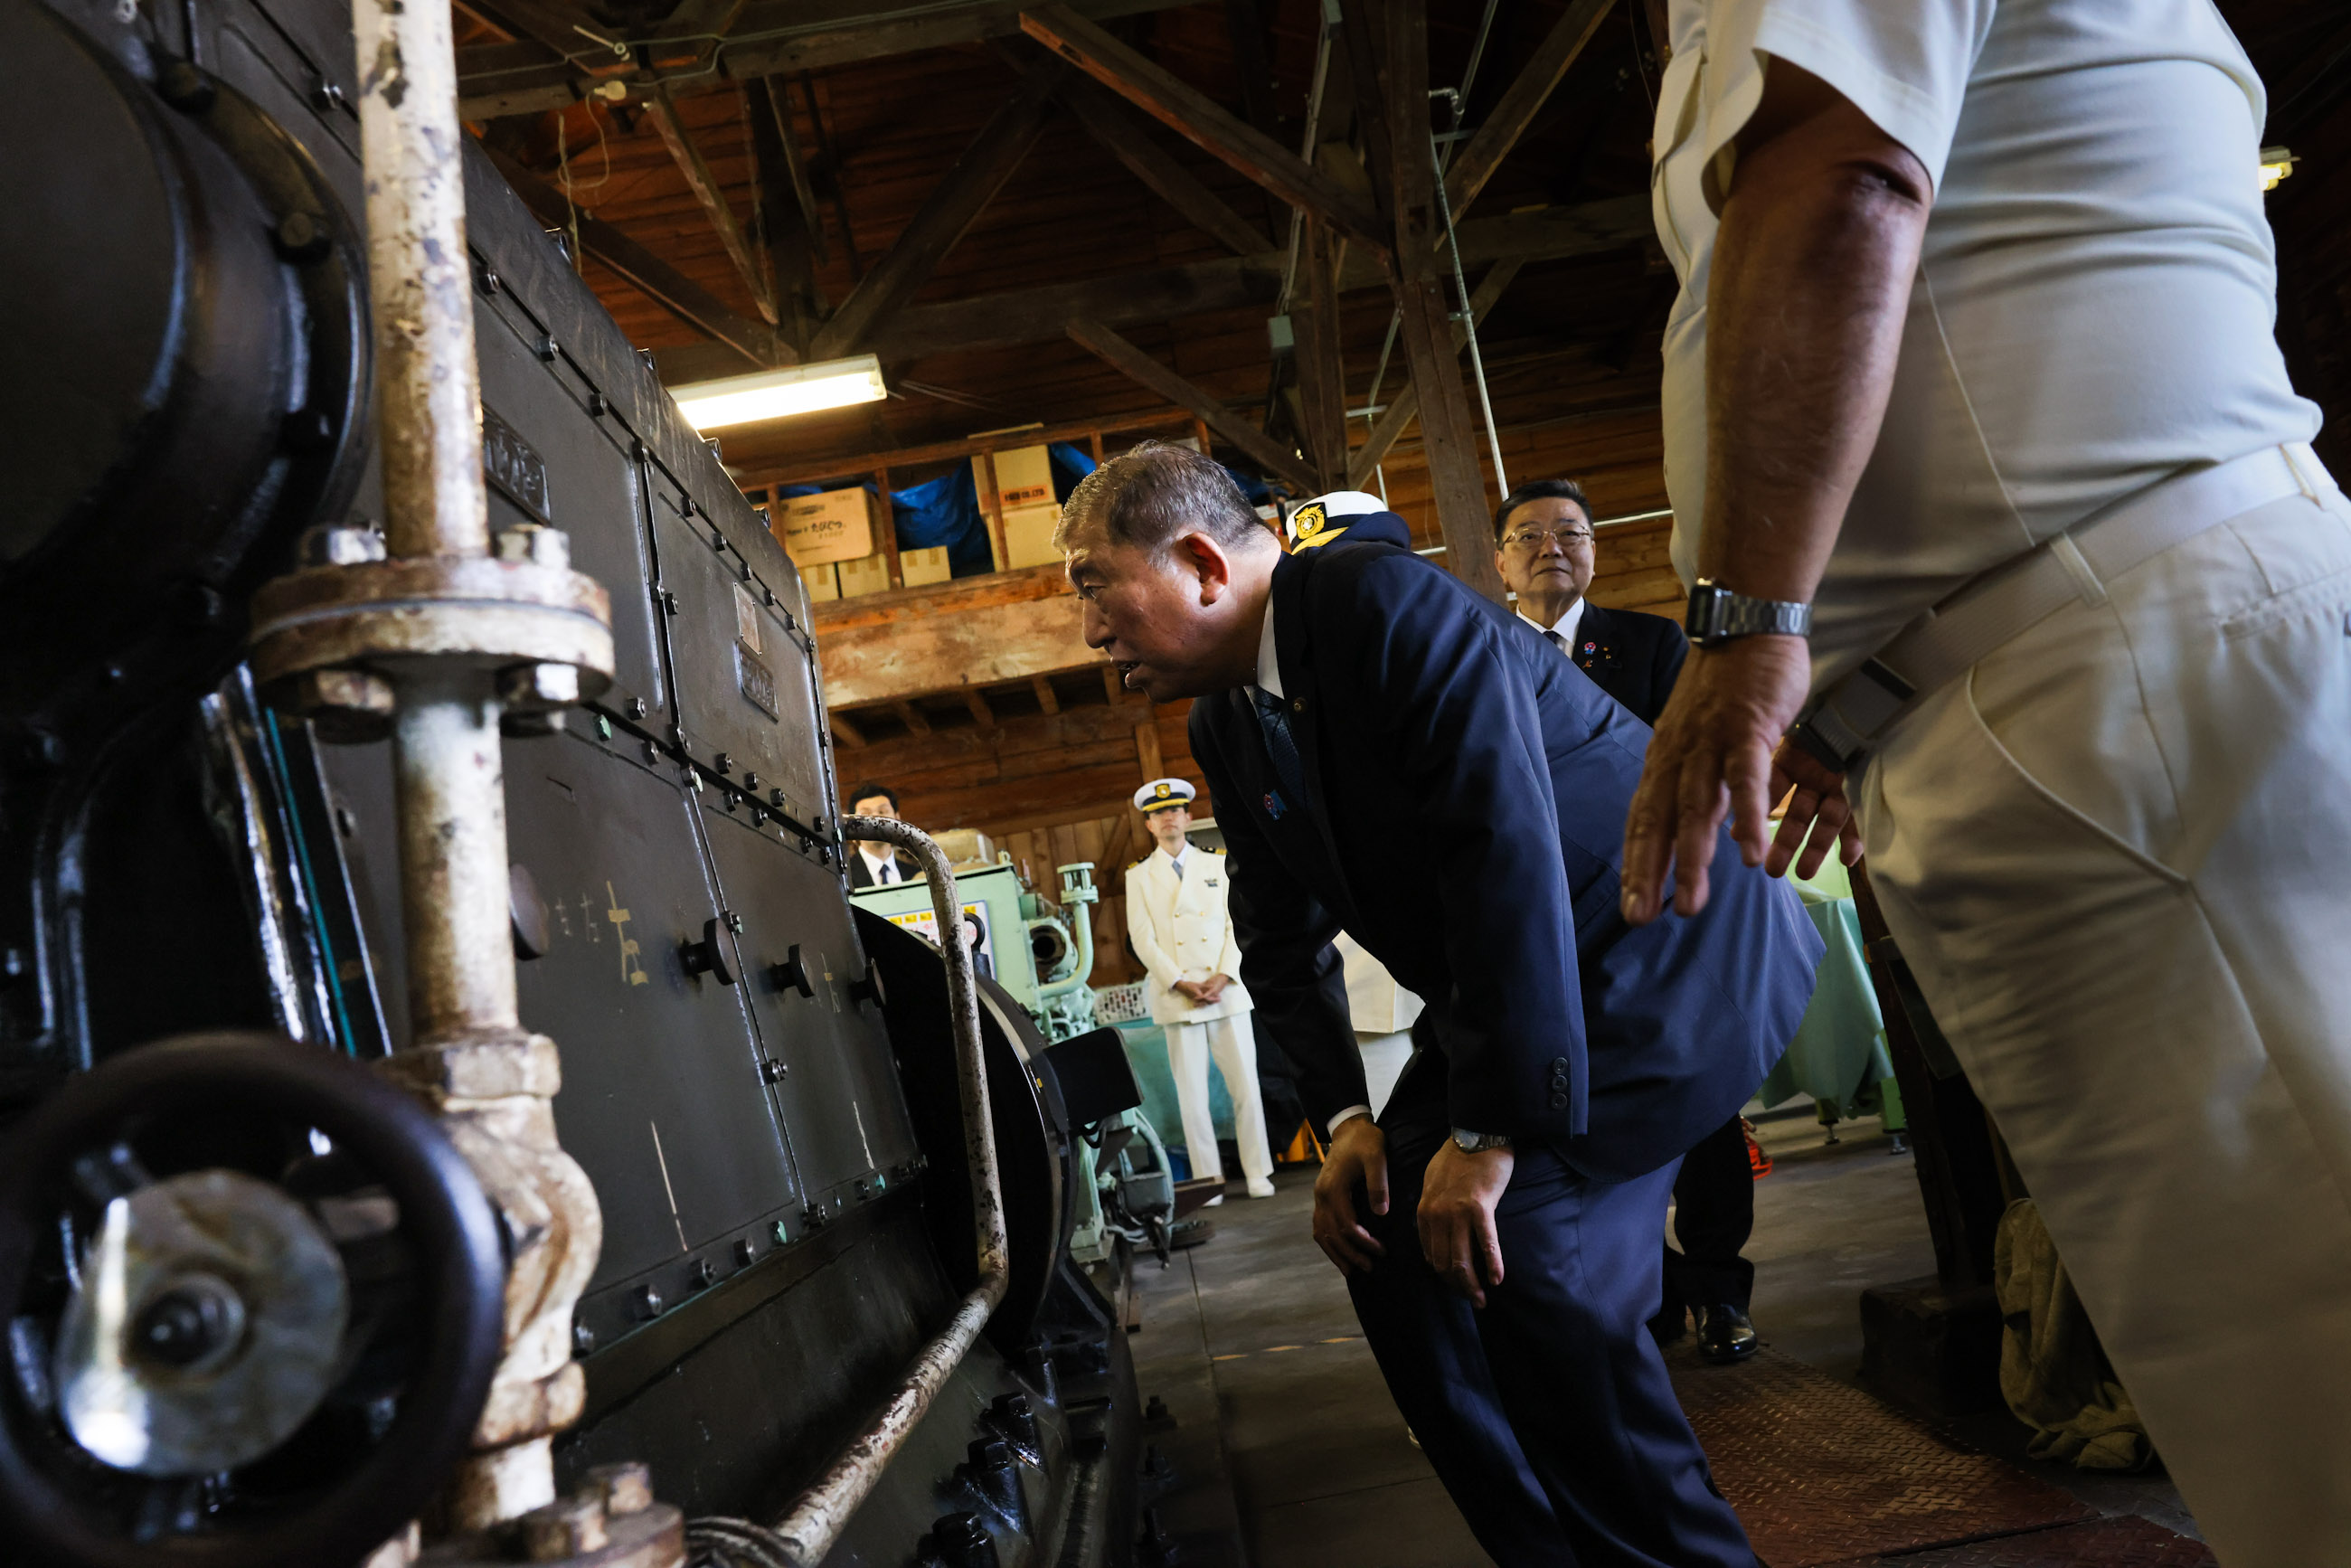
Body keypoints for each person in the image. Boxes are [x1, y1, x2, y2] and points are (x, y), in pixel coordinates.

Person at [1622, 3, 2351, 1561]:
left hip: (2117, 705)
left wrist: (1750, 627)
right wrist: (1840, 676)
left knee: (2315, 1363)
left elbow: (1840, 180)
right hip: (2098, 681)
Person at [1062, 455, 1823, 1568]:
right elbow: (1278, 937)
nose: (1087, 629)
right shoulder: (1227, 720)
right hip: (1531, 976)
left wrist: (1489, 1134)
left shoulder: (1377, 603)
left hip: (1662, 952)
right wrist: (1345, 1122)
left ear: (1199, 562)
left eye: (1092, 584)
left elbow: (1498, 851)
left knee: (1525, 1259)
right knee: (1379, 1236)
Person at [1495, 478, 1758, 1365]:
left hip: (1663, 906)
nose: (1548, 547)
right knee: (1596, 1124)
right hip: (1551, 927)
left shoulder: (1647, 645)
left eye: (1569, 531)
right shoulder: (1482, 658)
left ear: (1595, 550)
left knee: (1703, 1105)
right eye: (1526, 535)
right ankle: (1646, 1300)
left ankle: (1720, 1291)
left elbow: (1690, 760)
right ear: (1498, 562)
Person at [1124, 778, 1275, 1201]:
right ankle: (1210, 1183)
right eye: (1158, 814)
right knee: (1191, 1099)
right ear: (1149, 825)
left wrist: (1224, 975)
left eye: (1174, 810)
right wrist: (1181, 982)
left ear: (1188, 817)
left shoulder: (1216, 863)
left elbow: (1236, 924)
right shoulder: (1138, 877)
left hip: (1225, 991)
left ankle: (1258, 1172)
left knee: (1245, 1087)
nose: (1168, 818)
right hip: (1178, 996)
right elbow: (1142, 939)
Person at [843, 782, 921, 888]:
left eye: (882, 811)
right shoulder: (843, 876)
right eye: (865, 814)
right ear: (852, 824)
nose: (876, 820)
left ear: (897, 819)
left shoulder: (917, 875)